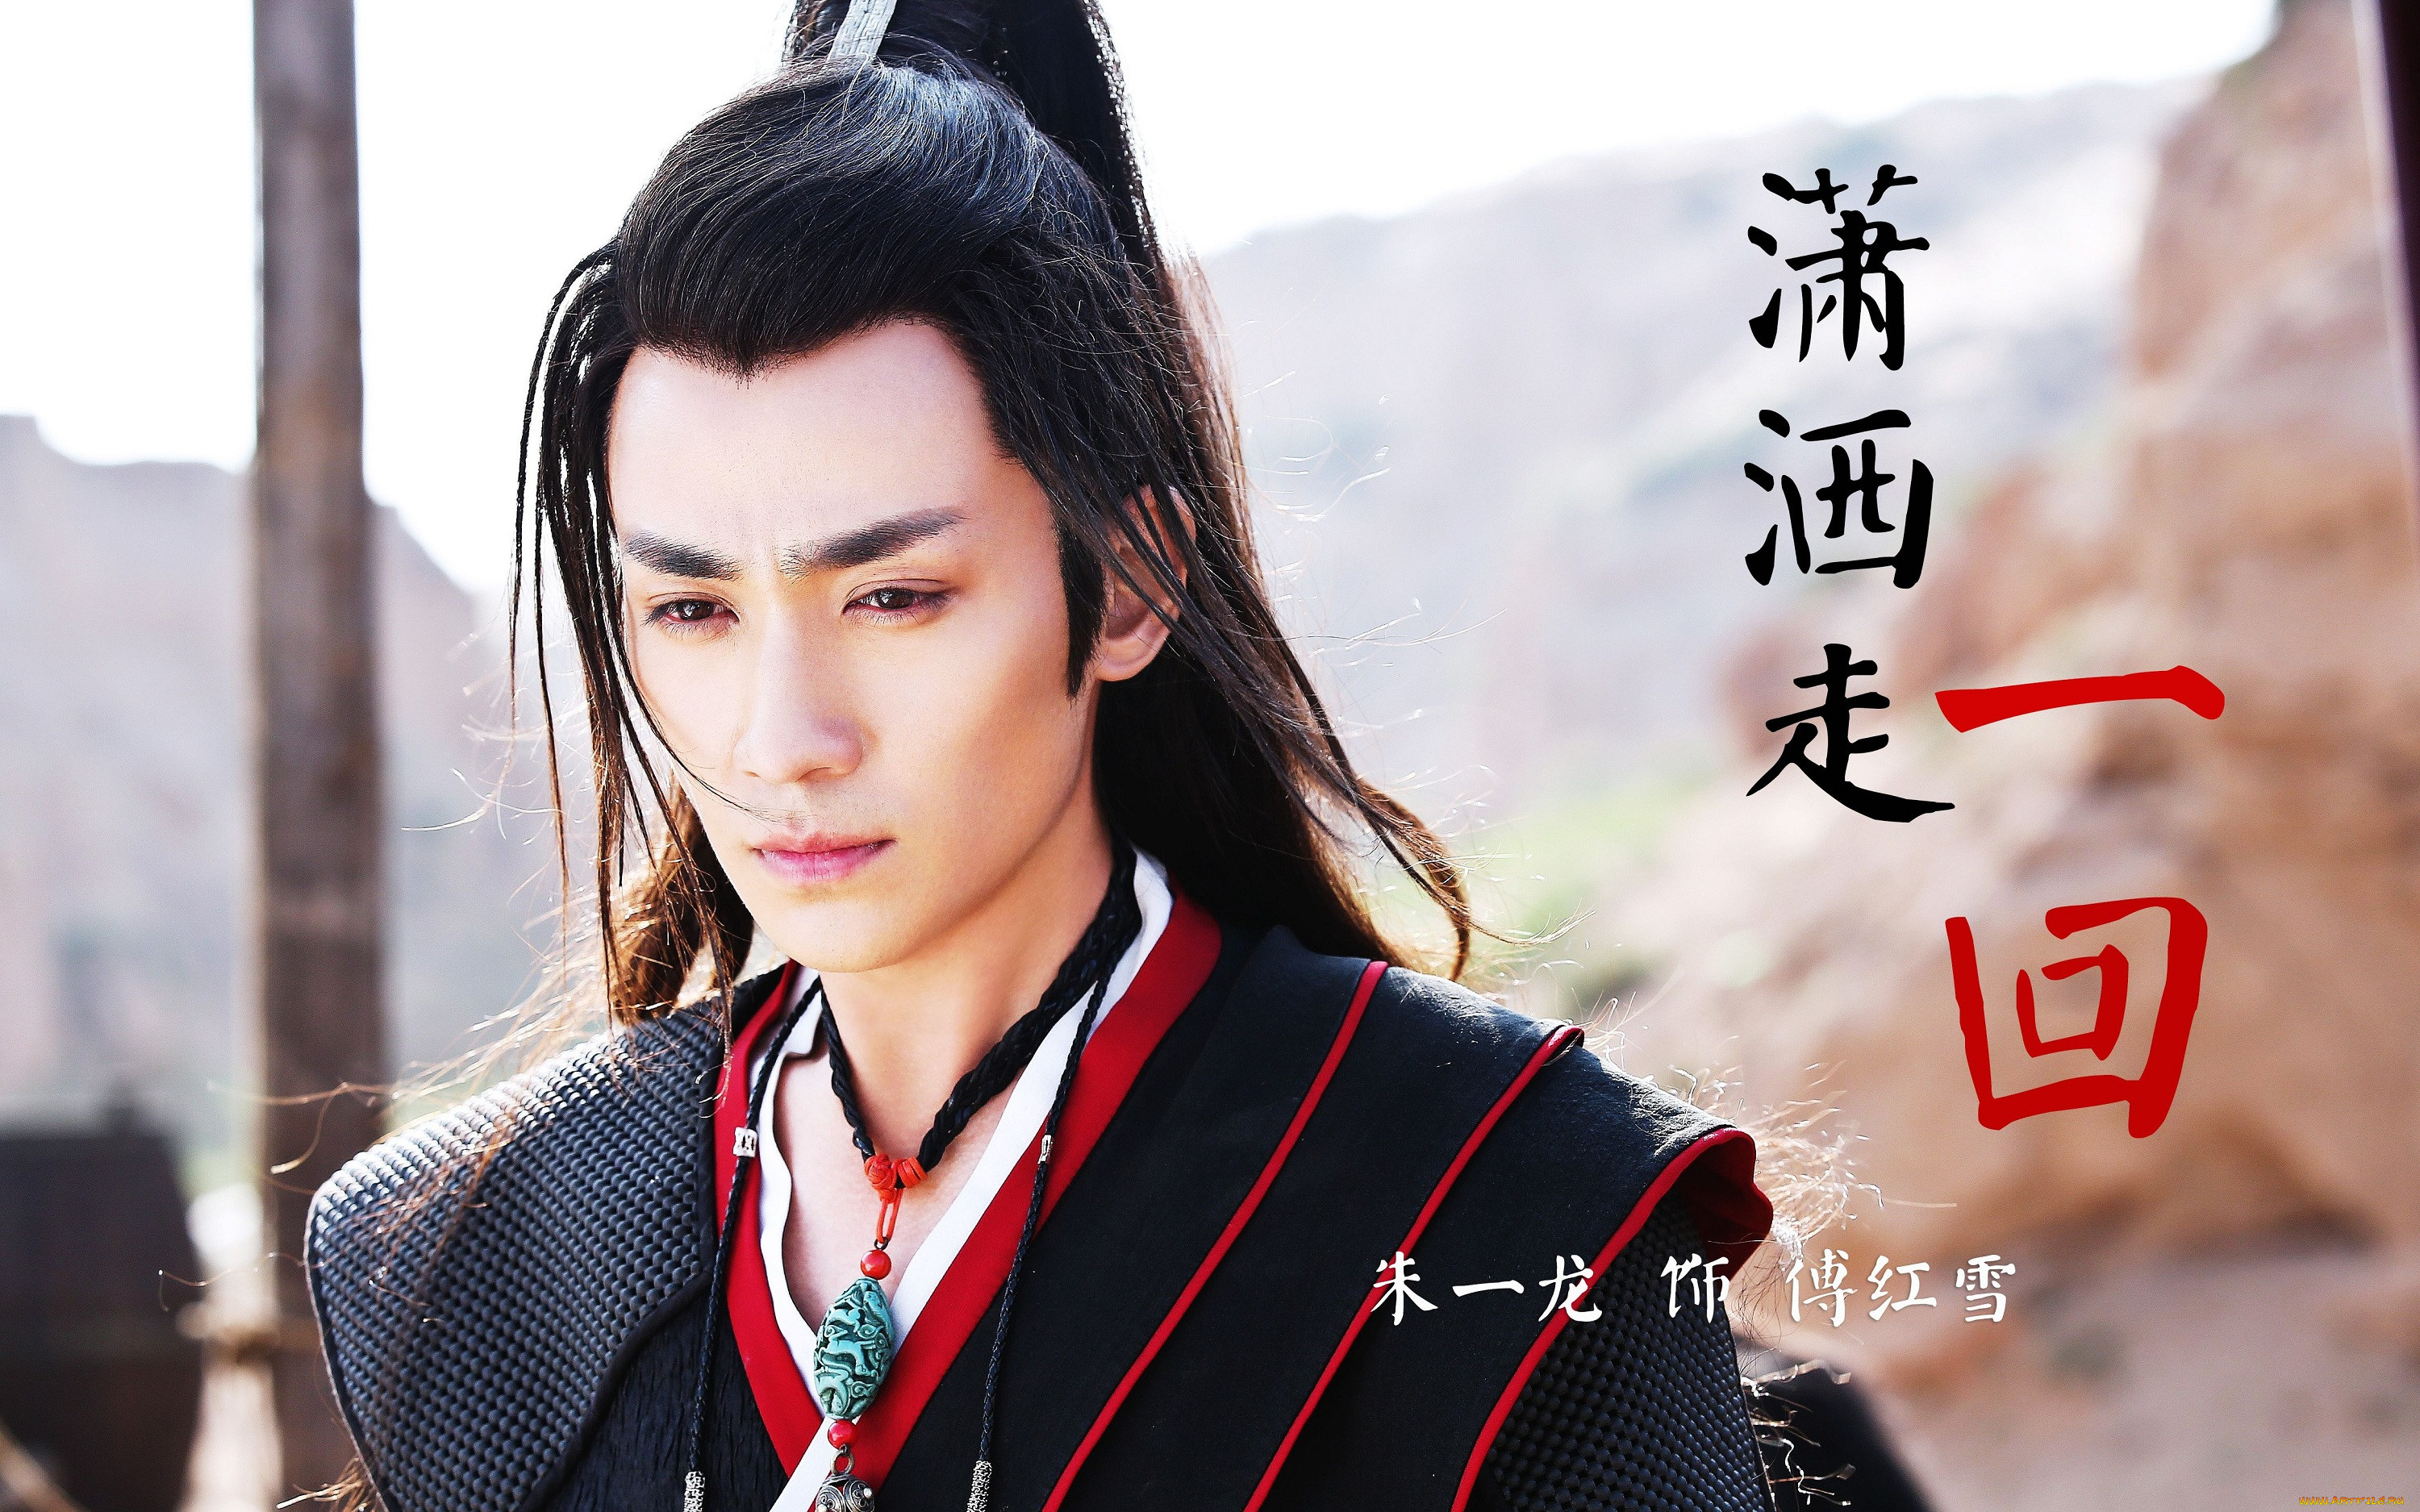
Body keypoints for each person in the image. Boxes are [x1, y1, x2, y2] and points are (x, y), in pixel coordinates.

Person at [307, 3, 1775, 1509]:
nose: (781, 740)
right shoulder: (475, 1260)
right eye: (693, 610)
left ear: (1129, 583)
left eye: (894, 597)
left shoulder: (1499, 1197)